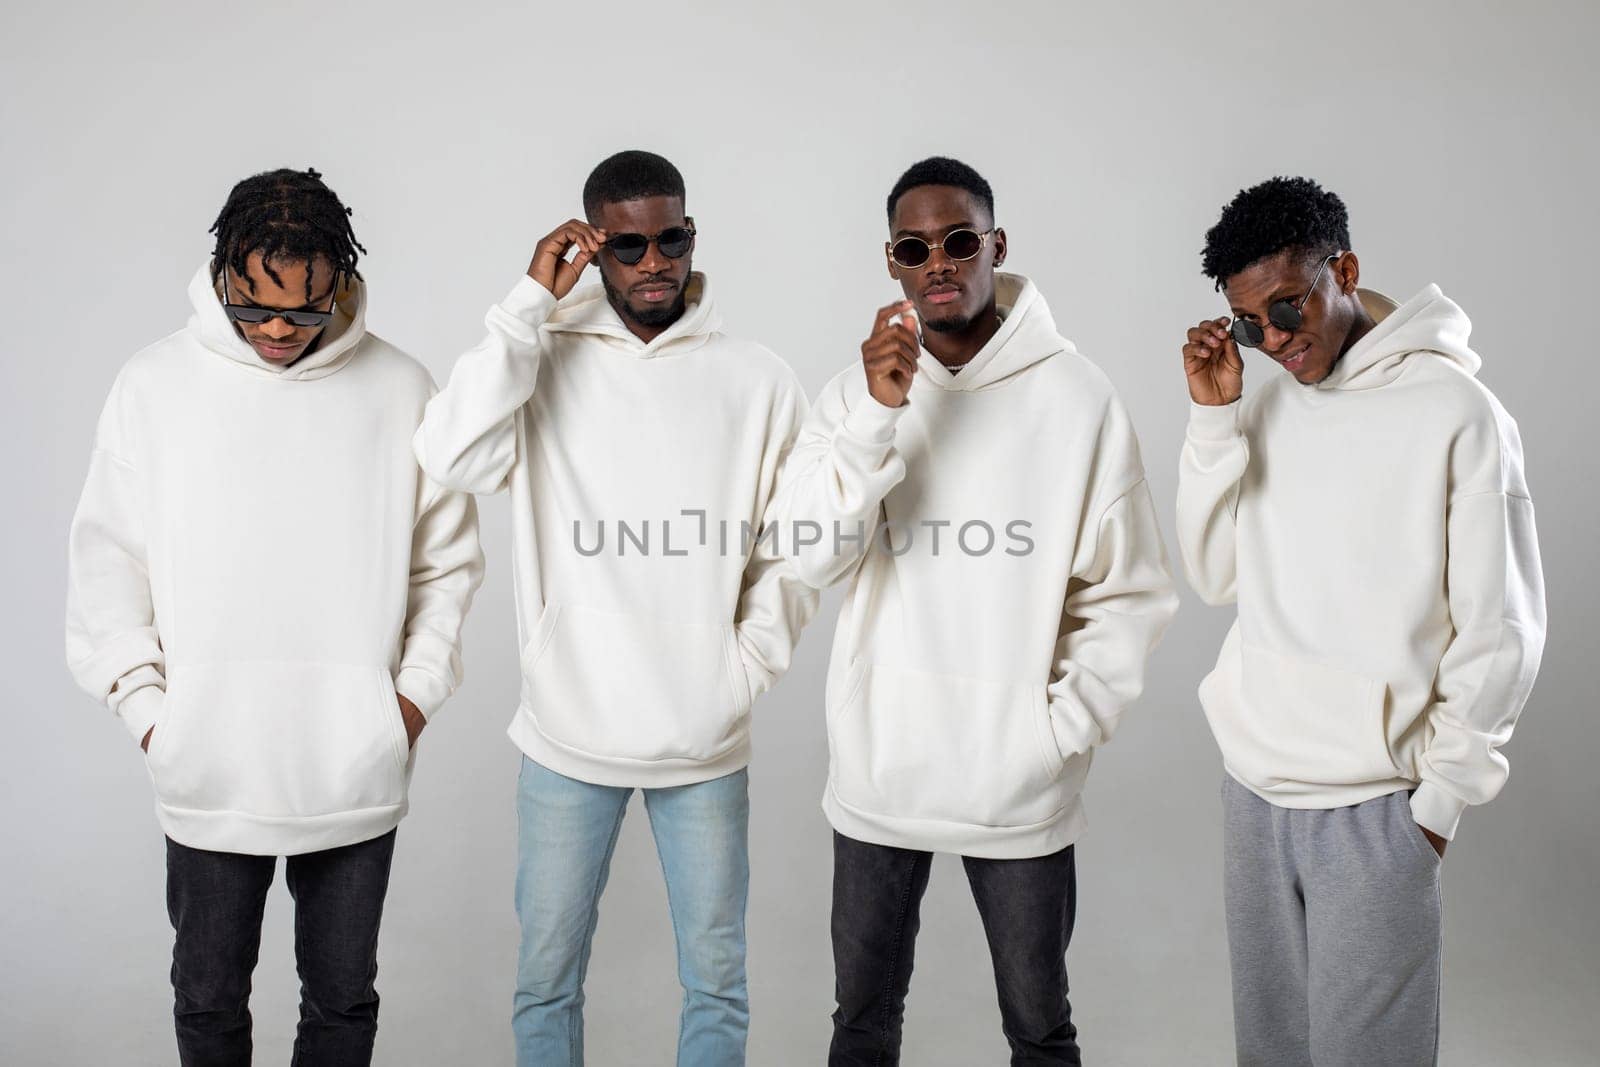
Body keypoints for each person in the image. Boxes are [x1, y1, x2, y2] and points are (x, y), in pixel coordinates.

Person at [65, 166, 485, 1066]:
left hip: (353, 763)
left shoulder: (402, 387)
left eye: (303, 313)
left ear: (339, 284)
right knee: (209, 999)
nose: (275, 335)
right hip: (209, 765)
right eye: (251, 309)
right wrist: (153, 717)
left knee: (341, 1003)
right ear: (223, 278)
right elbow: (107, 563)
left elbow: (445, 564)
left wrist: (402, 706)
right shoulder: (154, 386)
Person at [770, 156, 1178, 1066]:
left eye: (960, 241)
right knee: (863, 1022)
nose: (940, 263)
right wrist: (880, 414)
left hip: (1019, 785)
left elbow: (1127, 590)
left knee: (1040, 1028)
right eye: (917, 248)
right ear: (892, 262)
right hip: (882, 775)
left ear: (996, 245)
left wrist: (1056, 731)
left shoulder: (1077, 399)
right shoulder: (852, 394)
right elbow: (807, 554)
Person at [414, 149, 817, 1066]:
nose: (652, 261)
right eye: (628, 244)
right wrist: (525, 305)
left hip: (704, 738)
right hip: (567, 734)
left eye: (668, 238)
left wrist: (742, 667)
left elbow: (796, 548)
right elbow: (448, 455)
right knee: (546, 980)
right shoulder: (541, 358)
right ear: (594, 249)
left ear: (690, 236)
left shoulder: (757, 378)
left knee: (717, 983)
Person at [1177, 175, 1547, 1067]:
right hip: (1254, 794)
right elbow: (1213, 572)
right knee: (1270, 1053)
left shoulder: (1459, 416)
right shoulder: (1264, 402)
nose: (1275, 338)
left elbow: (1502, 630)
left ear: (1343, 268)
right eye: (1249, 322)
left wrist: (1438, 806)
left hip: (1376, 808)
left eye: (1289, 305)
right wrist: (1212, 417)